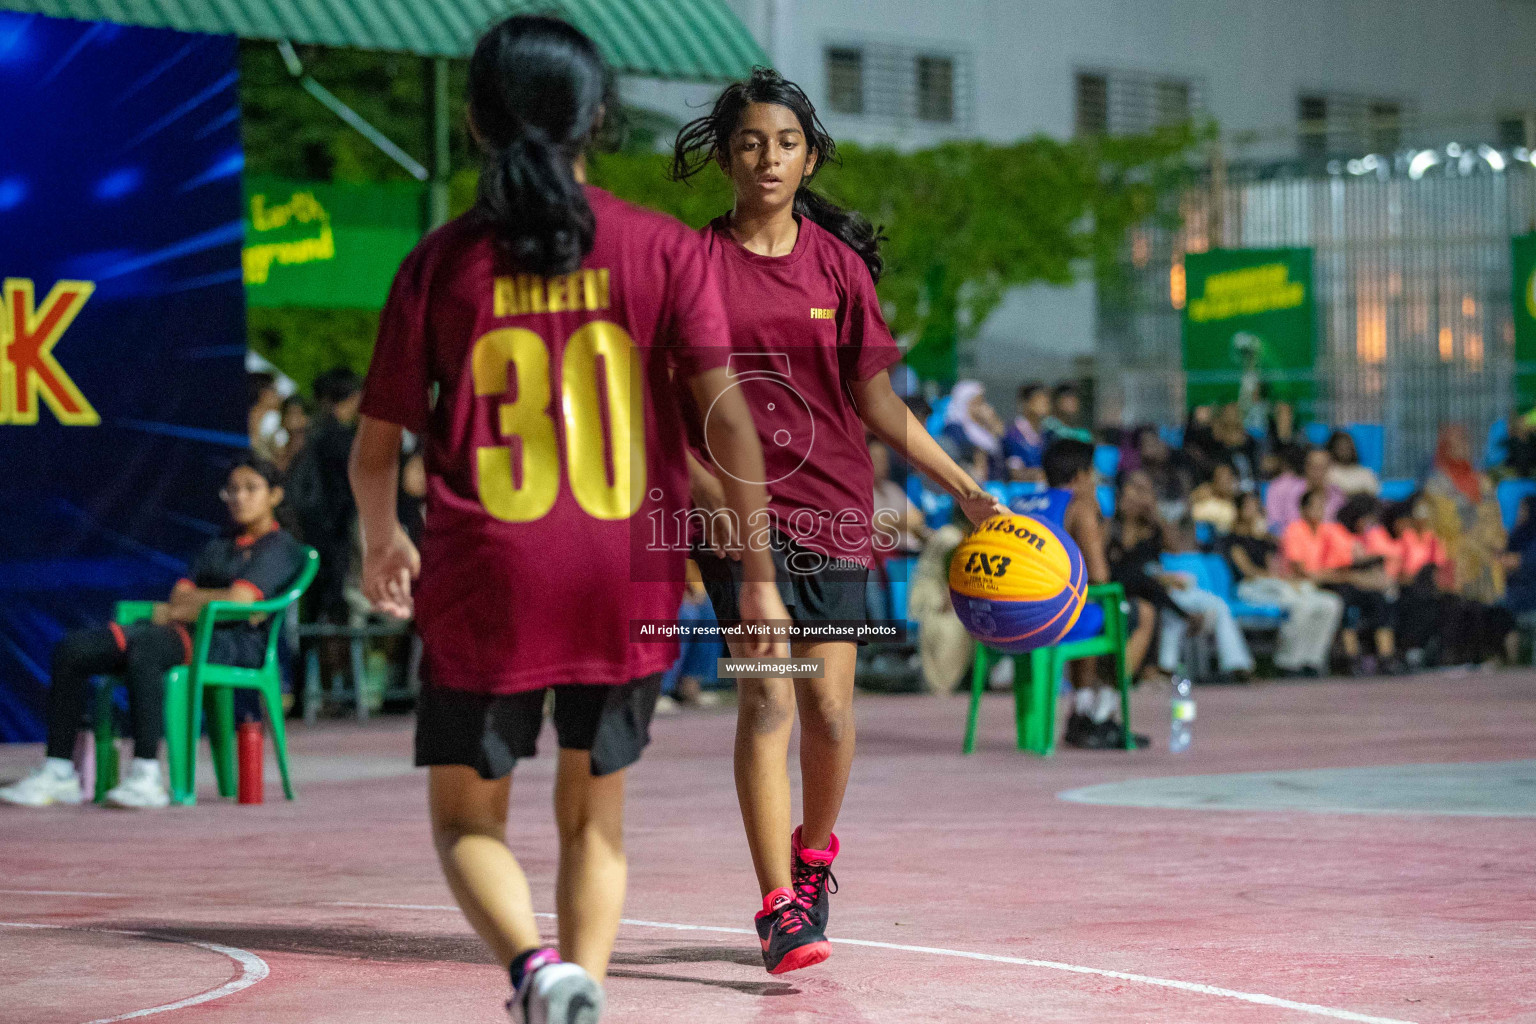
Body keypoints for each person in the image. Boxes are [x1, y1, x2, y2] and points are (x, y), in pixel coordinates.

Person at [346, 17, 790, 1023]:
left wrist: (383, 535)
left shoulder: (439, 264)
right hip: (625, 569)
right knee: (596, 818)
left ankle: (540, 973)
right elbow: (731, 436)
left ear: (475, 119)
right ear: (601, 115)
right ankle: (578, 987)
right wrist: (757, 577)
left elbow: (374, 451)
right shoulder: (666, 249)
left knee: (468, 820)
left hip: (489, 569)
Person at [671, 67, 1005, 975]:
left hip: (837, 511)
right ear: (725, 157)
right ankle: (777, 902)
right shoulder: (691, 267)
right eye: (749, 142)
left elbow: (880, 405)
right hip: (737, 520)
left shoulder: (838, 269)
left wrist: (962, 483)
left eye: (785, 142)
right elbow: (671, 414)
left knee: (826, 703)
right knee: (767, 692)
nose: (768, 157)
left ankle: (816, 857)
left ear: (809, 155)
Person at [1, 454, 304, 809]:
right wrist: (193, 604)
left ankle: (146, 775)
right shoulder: (218, 544)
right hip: (179, 633)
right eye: (232, 490)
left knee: (146, 648)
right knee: (73, 649)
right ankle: (59, 770)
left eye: (251, 489)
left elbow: (238, 601)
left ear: (275, 496)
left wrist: (192, 604)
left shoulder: (281, 548)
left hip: (230, 645)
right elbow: (180, 594)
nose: (239, 497)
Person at [1016, 440, 1144, 749]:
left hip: (1015, 617)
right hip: (1056, 618)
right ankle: (1097, 715)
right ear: (1081, 476)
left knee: (1085, 609)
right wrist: (1098, 517)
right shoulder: (1079, 506)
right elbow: (1099, 576)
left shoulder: (1019, 504)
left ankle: (1082, 711)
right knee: (1135, 613)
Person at [1110, 470, 1254, 682]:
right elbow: (1128, 570)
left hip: (1161, 586)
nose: (1141, 495)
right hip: (1143, 590)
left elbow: (1174, 548)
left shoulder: (1151, 525)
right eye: (1137, 489)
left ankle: (1237, 665)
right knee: (1170, 612)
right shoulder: (1113, 525)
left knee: (1218, 605)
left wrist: (1155, 514)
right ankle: (1164, 668)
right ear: (1123, 492)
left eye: (1146, 490)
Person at [1222, 493, 1342, 676]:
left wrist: (1281, 575)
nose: (1253, 510)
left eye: (1256, 506)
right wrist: (1277, 579)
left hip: (1274, 584)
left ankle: (1310, 660)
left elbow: (1275, 566)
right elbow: (1247, 570)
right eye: (1248, 506)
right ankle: (1287, 662)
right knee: (1296, 604)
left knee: (1329, 604)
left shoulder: (1264, 539)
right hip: (1249, 587)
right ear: (1238, 510)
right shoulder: (1233, 538)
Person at [1281, 489, 1398, 675]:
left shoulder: (1329, 530)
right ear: (1303, 509)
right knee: (1344, 597)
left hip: (1332, 579)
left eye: (1322, 505)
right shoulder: (1295, 530)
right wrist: (1346, 576)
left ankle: (1386, 657)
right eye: (1316, 505)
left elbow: (1344, 565)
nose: (1320, 509)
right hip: (1308, 585)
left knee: (1377, 599)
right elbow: (1303, 572)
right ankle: (1348, 657)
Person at [1424, 423, 1508, 607]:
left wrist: (1494, 543)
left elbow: (1494, 517)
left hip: (1485, 559)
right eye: (1456, 442)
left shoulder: (1482, 481)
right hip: (1454, 560)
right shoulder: (1437, 485)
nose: (1463, 447)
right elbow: (1442, 525)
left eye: (1465, 441)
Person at [1266, 445, 1342, 533]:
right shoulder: (1288, 492)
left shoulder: (1337, 496)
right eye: (1314, 467)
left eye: (1323, 467)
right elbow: (1274, 526)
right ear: (1306, 467)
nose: (1318, 472)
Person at [941, 380, 1006, 482]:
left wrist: (994, 425)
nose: (983, 407)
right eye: (978, 403)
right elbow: (967, 450)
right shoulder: (953, 428)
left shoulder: (984, 428)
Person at [1002, 381, 1050, 481]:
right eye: (1039, 398)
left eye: (1046, 398)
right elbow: (1015, 473)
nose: (1045, 402)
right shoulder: (1013, 434)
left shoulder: (1046, 434)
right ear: (1026, 403)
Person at [1189, 461, 1241, 535]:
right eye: (1220, 477)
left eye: (1227, 478)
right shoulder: (1203, 492)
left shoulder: (1232, 508)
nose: (1223, 482)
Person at [1327, 430, 1380, 497]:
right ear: (1333, 448)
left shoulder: (1365, 473)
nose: (1345, 450)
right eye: (1341, 446)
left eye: (1347, 446)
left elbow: (1374, 491)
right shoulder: (1328, 473)